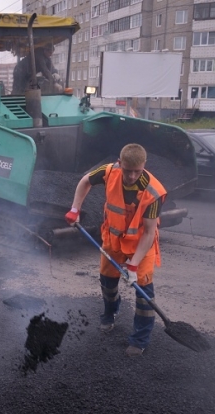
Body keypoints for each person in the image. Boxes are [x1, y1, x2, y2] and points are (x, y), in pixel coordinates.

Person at [65, 143, 166, 357]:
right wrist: (75, 209)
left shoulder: (153, 193)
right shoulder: (109, 171)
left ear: (144, 166)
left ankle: (139, 339)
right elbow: (85, 181)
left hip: (141, 247)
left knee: (144, 297)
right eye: (127, 170)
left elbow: (149, 233)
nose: (131, 176)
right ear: (120, 163)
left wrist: (133, 264)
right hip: (113, 241)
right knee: (108, 285)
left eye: (136, 171)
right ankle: (110, 314)